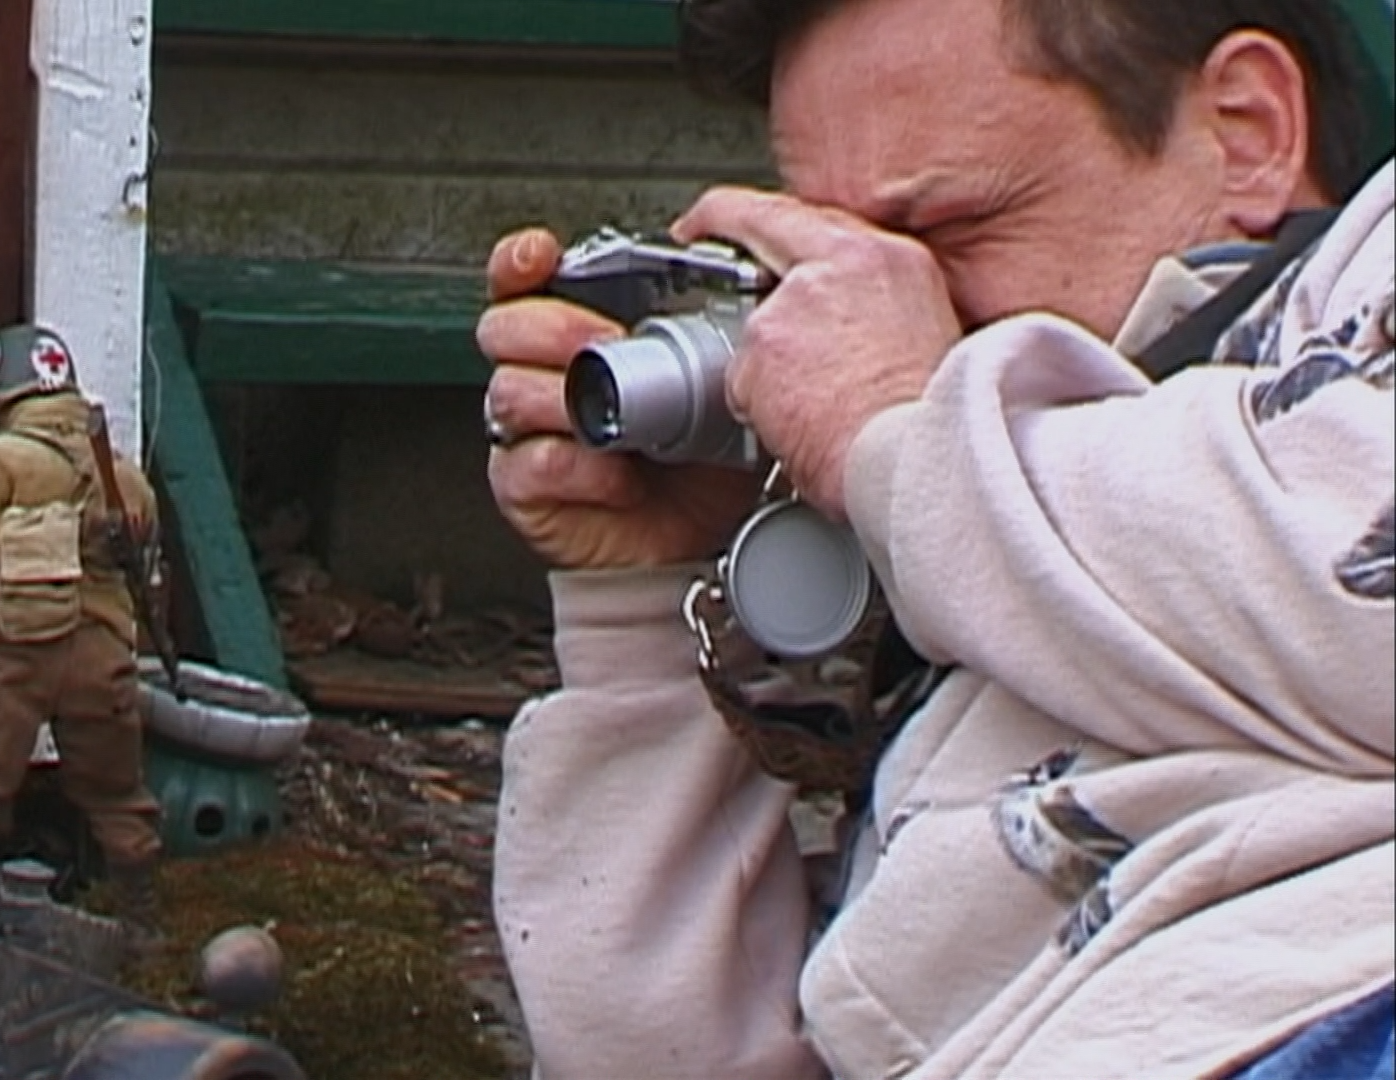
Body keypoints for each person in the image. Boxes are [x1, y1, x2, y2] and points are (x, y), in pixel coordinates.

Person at [477, 0, 1394, 1077]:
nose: (858, 311)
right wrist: (647, 613)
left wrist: (893, 427)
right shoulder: (980, 548)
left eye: (942, 234)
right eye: (828, 264)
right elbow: (661, 1062)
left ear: (1245, 130)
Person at [0, 324, 163, 892]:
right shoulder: (124, 475)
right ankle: (138, 906)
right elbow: (142, 571)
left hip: (14, 657)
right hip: (102, 659)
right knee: (118, 799)